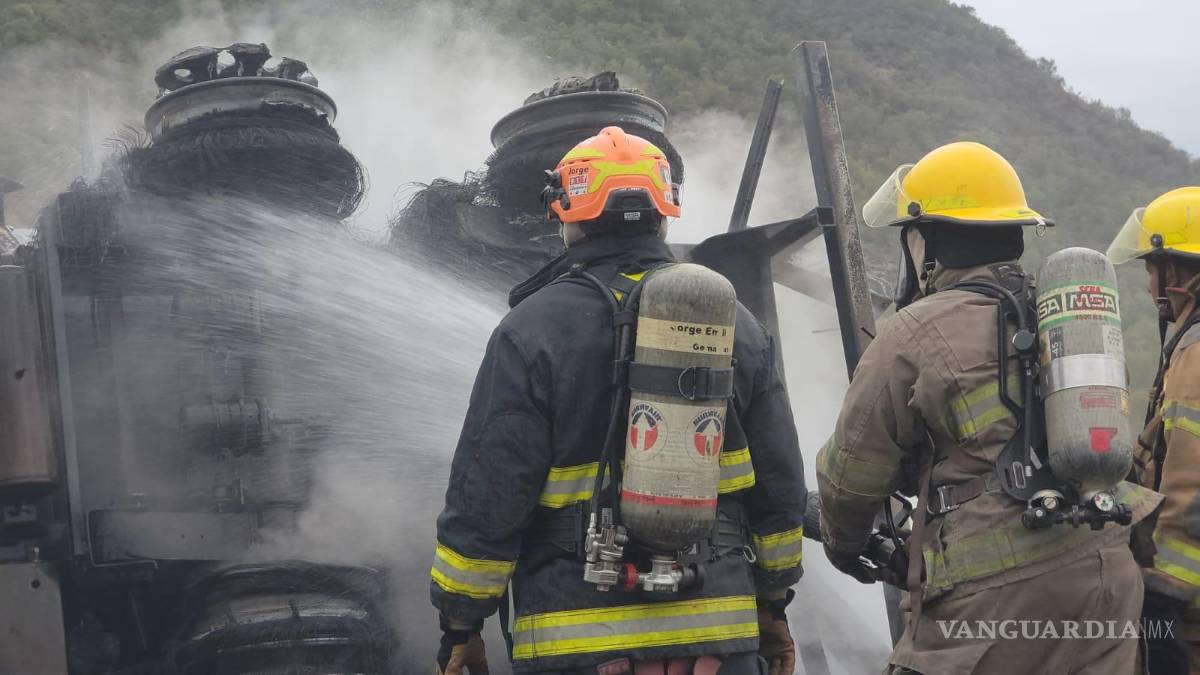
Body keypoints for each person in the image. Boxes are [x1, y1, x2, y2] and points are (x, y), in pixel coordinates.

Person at [429, 126, 807, 675]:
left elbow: (489, 493)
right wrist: (774, 604)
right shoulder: (735, 325)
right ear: (664, 209)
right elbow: (780, 485)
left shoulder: (530, 329)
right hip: (717, 641)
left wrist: (460, 623)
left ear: (568, 212)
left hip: (576, 643)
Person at [817, 141, 1161, 674]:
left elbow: (853, 474)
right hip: (1107, 573)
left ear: (929, 241)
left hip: (993, 599)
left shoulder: (913, 330)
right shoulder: (1063, 315)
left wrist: (845, 544)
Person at [1108, 186, 1200, 674]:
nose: (1148, 286)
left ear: (1178, 272)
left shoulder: (1195, 355)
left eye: (1151, 267)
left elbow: (1190, 486)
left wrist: (1163, 593)